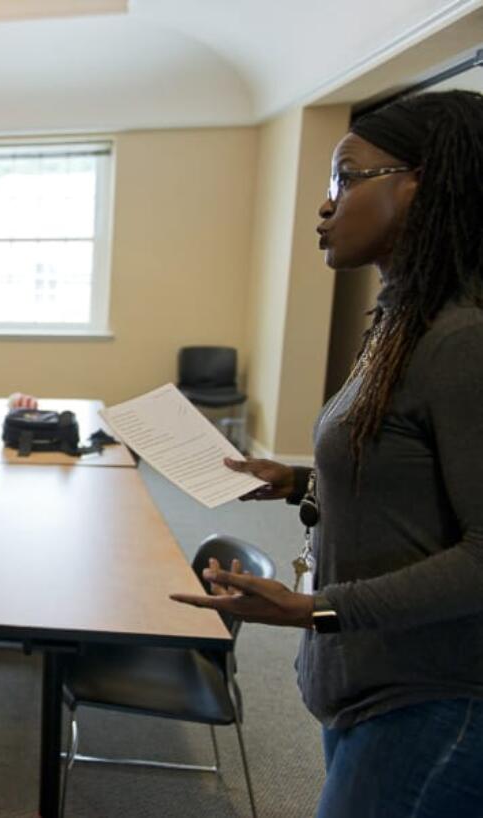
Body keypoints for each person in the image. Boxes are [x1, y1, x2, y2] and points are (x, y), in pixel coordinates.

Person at [171, 91, 483, 817]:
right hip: (367, 680)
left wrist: (317, 610)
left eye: (346, 179)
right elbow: (411, 470)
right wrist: (297, 481)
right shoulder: (401, 324)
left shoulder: (463, 341)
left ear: (424, 184)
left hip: (435, 696)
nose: (325, 206)